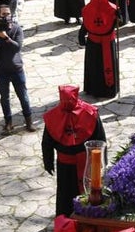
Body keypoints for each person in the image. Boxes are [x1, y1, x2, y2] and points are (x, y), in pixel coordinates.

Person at [41, 85, 106, 217]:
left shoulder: (90, 113)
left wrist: (102, 161)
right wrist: (48, 161)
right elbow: (47, 143)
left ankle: (88, 217)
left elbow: (100, 140)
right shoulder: (53, 117)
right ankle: (65, 219)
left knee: (89, 191)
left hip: (87, 163)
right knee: (66, 194)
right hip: (65, 165)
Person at [0, 2, 34, 134]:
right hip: (1, 70)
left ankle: (29, 121)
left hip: (16, 69)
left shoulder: (17, 29)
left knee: (23, 96)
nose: (6, 17)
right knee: (4, 97)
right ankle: (8, 123)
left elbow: (17, 47)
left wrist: (6, 37)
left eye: (8, 14)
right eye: (3, 14)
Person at [79, 0, 120, 99]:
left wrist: (81, 39)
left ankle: (93, 89)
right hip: (107, 43)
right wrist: (119, 14)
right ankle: (110, 89)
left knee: (94, 68)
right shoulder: (112, 9)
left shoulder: (88, 9)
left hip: (93, 44)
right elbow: (118, 22)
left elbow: (84, 27)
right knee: (107, 68)